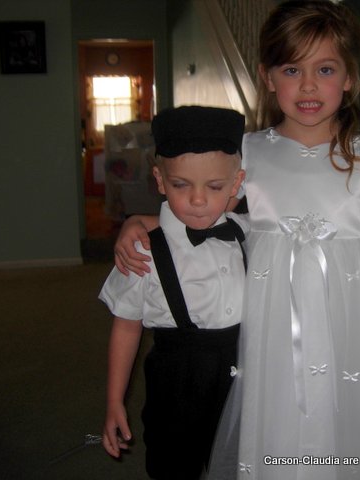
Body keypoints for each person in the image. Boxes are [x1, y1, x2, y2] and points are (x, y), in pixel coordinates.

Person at [114, 2, 360, 479]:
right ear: (266, 76)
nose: (306, 85)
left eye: (324, 69)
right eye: (290, 69)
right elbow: (203, 207)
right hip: (274, 330)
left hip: (352, 328)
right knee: (279, 422)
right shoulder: (248, 154)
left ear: (348, 78)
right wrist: (140, 221)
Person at [99, 105, 247, 480]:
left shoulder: (251, 235)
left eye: (214, 187)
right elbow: (127, 326)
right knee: (172, 462)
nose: (198, 200)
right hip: (176, 382)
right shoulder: (142, 250)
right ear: (160, 181)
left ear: (236, 184)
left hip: (243, 374)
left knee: (237, 460)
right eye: (181, 184)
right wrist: (114, 399)